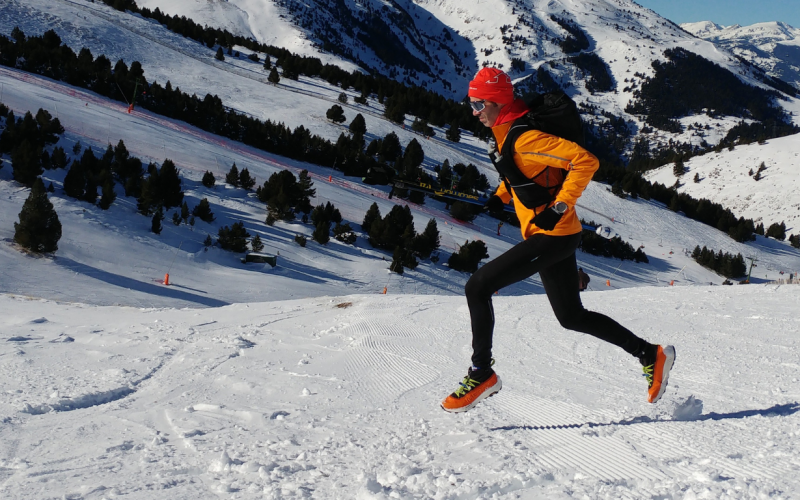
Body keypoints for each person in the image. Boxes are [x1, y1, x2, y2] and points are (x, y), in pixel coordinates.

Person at [441, 68, 675, 413]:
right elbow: (521, 173)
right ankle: (650, 354)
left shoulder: (524, 137)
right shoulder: (507, 133)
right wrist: (498, 199)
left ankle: (482, 373)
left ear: (498, 102)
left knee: (478, 287)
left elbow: (585, 161)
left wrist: (561, 206)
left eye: (478, 104)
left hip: (553, 235)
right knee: (571, 317)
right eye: (470, 103)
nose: (473, 111)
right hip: (555, 235)